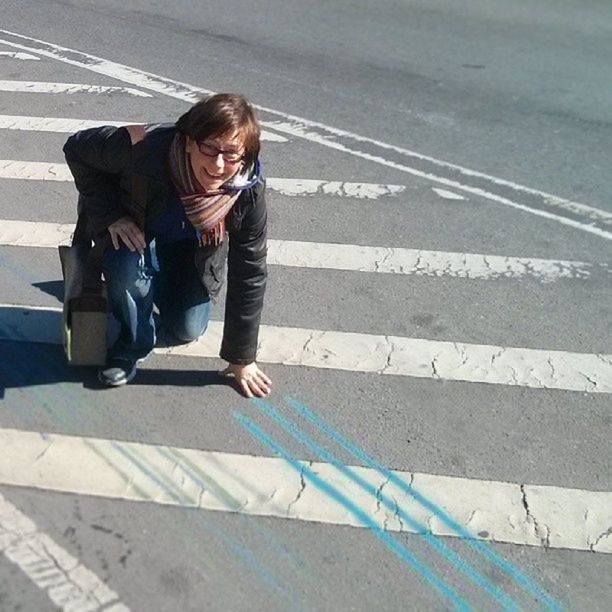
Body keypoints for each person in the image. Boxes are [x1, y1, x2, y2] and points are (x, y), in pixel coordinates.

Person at [63, 93, 272, 398]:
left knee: (187, 329)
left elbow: (250, 269)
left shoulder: (247, 188)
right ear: (188, 141)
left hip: (190, 245)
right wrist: (112, 215)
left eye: (230, 153)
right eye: (209, 147)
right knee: (126, 268)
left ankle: (144, 286)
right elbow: (77, 148)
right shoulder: (141, 147)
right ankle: (131, 343)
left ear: (246, 155)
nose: (218, 164)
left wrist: (241, 358)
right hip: (133, 222)